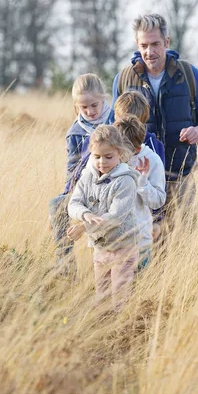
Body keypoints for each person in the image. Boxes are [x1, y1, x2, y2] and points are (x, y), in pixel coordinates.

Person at [112, 13, 198, 216]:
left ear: (166, 42)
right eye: (143, 46)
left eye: (155, 44)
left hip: (180, 178)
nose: (149, 52)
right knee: (143, 242)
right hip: (138, 179)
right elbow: (113, 129)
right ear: (137, 44)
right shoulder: (123, 78)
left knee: (182, 242)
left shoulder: (189, 74)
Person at [67, 125, 139, 307]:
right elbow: (74, 203)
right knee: (102, 294)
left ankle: (122, 330)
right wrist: (84, 214)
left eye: (108, 157)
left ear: (120, 153)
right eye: (97, 156)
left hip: (123, 246)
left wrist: (85, 226)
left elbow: (116, 216)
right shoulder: (87, 176)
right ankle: (104, 330)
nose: (102, 162)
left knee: (120, 295)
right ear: (90, 153)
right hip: (100, 247)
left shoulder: (125, 180)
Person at [49, 73, 114, 275]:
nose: (90, 111)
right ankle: (65, 268)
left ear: (103, 98)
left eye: (94, 105)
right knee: (57, 205)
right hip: (86, 188)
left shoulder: (115, 121)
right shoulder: (75, 132)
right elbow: (73, 170)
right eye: (83, 107)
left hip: (116, 183)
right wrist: (66, 197)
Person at [114, 114, 166, 269]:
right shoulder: (110, 156)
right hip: (113, 240)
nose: (118, 155)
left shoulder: (153, 160)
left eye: (121, 152)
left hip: (140, 239)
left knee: (139, 284)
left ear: (136, 148)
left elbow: (158, 200)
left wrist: (142, 182)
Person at [114, 90, 165, 240]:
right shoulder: (109, 141)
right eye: (121, 121)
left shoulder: (153, 147)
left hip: (143, 219)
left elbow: (159, 184)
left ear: (141, 123)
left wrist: (157, 219)